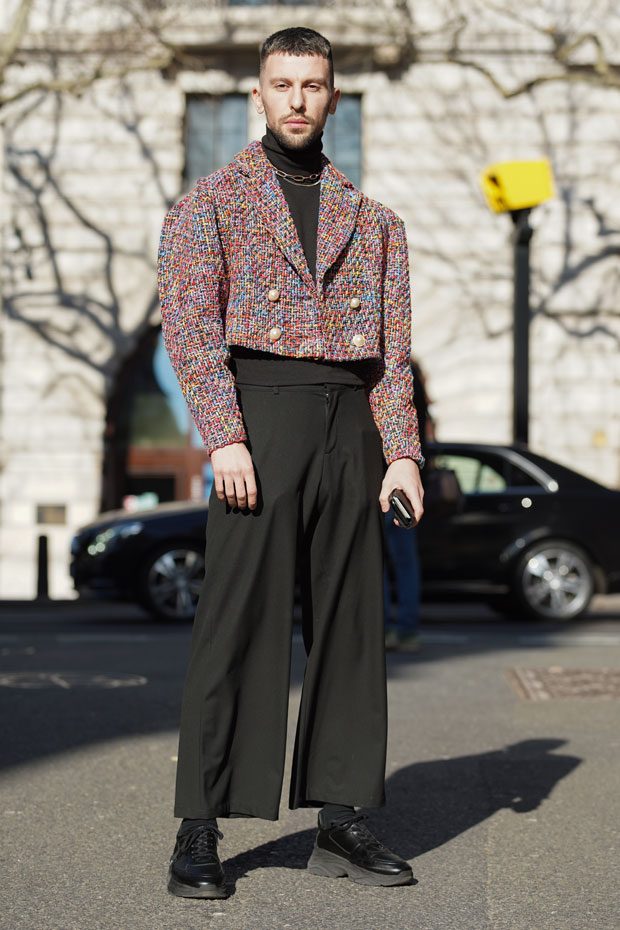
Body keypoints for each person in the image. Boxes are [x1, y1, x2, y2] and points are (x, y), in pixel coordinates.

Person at [156, 26, 424, 899]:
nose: (298, 99)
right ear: (259, 96)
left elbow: (392, 356)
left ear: (334, 98)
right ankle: (201, 826)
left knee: (351, 626)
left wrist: (403, 455)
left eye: (313, 84)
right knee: (236, 626)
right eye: (283, 84)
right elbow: (193, 326)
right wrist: (223, 433)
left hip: (351, 425)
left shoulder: (378, 224)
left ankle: (342, 820)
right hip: (258, 424)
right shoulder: (210, 204)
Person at [383, 358, 434, 653]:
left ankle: (387, 627)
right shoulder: (410, 377)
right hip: (407, 481)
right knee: (405, 560)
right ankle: (407, 628)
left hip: (382, 477)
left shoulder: (391, 367)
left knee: (381, 558)